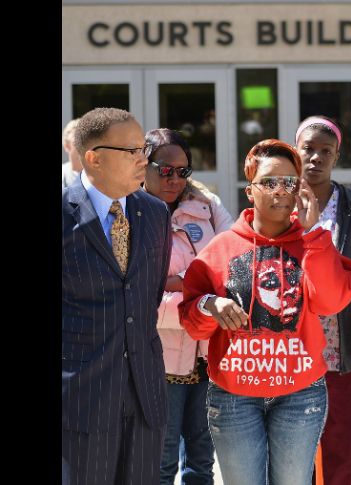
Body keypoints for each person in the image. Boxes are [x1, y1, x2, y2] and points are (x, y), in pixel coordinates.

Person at [178, 139, 351, 485]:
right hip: (234, 398)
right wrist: (209, 304)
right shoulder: (222, 249)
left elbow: (332, 301)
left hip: (300, 394)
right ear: (250, 191)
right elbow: (194, 323)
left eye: (289, 182)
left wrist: (313, 233)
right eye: (269, 182)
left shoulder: (313, 243)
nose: (280, 190)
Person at [62, 107, 172, 485]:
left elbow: (148, 296)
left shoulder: (156, 214)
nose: (145, 160)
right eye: (132, 151)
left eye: (145, 149)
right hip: (81, 401)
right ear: (93, 157)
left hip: (145, 397)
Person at [143, 128, 235, 485]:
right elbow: (133, 298)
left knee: (200, 461)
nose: (175, 179)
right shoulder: (128, 214)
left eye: (183, 171)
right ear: (143, 166)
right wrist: (197, 299)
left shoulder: (207, 207)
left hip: (206, 357)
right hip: (158, 361)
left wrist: (171, 284)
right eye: (165, 170)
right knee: (161, 464)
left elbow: (231, 267)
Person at [294, 116, 351, 485]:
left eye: (325, 151)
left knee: (340, 445)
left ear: (337, 156)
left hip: (343, 345)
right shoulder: (279, 200)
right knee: (293, 449)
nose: (315, 158)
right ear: (295, 151)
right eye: (308, 149)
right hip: (291, 346)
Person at [62, 118, 82, 188]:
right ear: (66, 146)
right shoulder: (63, 174)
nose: (83, 143)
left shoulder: (101, 174)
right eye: (77, 139)